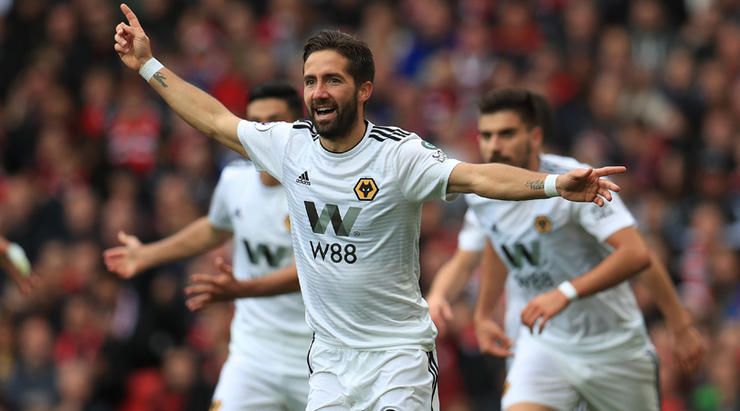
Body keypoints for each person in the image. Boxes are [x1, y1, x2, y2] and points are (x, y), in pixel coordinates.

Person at [112, 5, 626, 408]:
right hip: (330, 363)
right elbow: (215, 120)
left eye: (332, 80)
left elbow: (478, 176)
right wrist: (148, 65)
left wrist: (555, 183)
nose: (318, 92)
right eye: (311, 81)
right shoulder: (289, 146)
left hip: (397, 357)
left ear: (364, 89)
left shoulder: (397, 156)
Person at [427, 88, 705, 411]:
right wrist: (475, 309)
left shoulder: (577, 181)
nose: (494, 145)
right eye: (486, 135)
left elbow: (636, 255)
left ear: (535, 137)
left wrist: (680, 324)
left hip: (612, 346)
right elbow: (491, 244)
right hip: (545, 346)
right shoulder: (483, 193)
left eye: (506, 134)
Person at [103, 82, 312, 411]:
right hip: (252, 357)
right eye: (255, 122)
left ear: (297, 128)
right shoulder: (235, 180)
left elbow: (316, 270)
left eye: (274, 121)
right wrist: (148, 254)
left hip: (314, 358)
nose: (263, 131)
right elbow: (215, 228)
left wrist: (242, 289)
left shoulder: (317, 188)